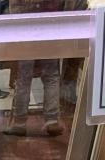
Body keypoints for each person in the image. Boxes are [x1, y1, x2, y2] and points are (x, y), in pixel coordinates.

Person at [4, 0, 65, 136]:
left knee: (23, 78)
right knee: (51, 76)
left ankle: (19, 122)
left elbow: (14, 5)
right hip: (50, 25)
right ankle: (52, 120)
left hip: (25, 27)